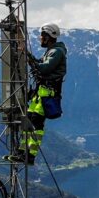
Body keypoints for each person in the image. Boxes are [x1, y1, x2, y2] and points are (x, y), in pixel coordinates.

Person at [9, 23, 67, 165]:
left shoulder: (56, 52)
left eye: (42, 35)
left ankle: (30, 155)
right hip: (41, 95)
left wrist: (28, 58)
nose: (40, 38)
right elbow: (39, 64)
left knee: (36, 124)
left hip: (46, 95)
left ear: (48, 36)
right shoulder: (51, 51)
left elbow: (44, 68)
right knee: (29, 121)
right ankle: (22, 152)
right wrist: (27, 54)